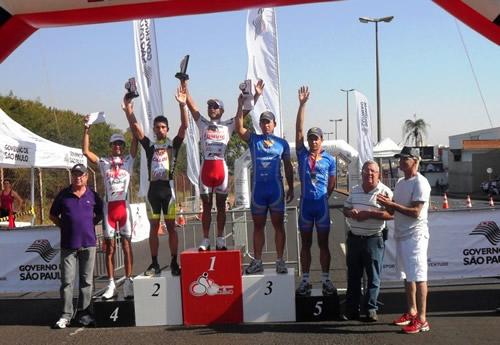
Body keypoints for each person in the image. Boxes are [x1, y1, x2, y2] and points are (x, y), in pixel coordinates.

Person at [182, 79, 264, 251]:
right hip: (206, 169)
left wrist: (255, 95)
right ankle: (205, 239)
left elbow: (245, 112)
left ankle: (220, 238)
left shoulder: (228, 125)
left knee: (220, 206)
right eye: (210, 106)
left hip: (221, 170)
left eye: (215, 106)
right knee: (205, 206)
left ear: (222, 110)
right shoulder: (202, 123)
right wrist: (184, 83)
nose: (212, 109)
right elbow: (191, 105)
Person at [123, 86, 188, 276]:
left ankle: (174, 262)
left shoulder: (173, 145)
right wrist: (129, 110)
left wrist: (182, 106)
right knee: (153, 228)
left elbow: (184, 127)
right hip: (153, 192)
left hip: (168, 192)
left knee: (171, 228)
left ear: (167, 129)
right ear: (153, 129)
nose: (160, 130)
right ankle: (154, 263)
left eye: (163, 127)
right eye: (157, 127)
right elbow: (136, 129)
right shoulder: (150, 145)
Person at [235, 95, 294, 274]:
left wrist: (291, 187)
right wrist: (240, 104)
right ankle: (258, 261)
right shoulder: (254, 139)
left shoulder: (282, 144)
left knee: (278, 226)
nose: (266, 125)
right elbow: (238, 128)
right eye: (263, 122)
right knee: (258, 227)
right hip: (259, 192)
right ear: (259, 125)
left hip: (275, 191)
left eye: (268, 122)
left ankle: (280, 261)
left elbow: (288, 166)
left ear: (274, 124)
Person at [377, 147, 431, 334]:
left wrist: (392, 205)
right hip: (401, 235)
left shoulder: (421, 183)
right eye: (399, 158)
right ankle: (411, 312)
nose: (400, 161)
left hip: (415, 236)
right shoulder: (400, 183)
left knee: (419, 276)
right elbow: (393, 211)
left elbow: (416, 212)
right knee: (408, 276)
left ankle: (422, 320)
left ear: (414, 160)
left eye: (403, 158)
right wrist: (386, 204)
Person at [82, 121, 138, 299]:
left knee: (127, 246)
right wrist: (86, 130)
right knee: (110, 248)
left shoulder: (129, 160)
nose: (118, 146)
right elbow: (86, 152)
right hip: (109, 211)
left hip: (124, 208)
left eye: (120, 143)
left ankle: (128, 282)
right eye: (115, 144)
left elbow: (137, 140)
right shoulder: (104, 162)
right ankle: (112, 284)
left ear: (123, 146)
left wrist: (130, 118)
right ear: (111, 146)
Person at [294, 86, 337, 296]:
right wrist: (302, 105)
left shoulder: (330, 159)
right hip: (305, 206)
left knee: (323, 245)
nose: (312, 141)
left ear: (321, 140)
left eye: (316, 138)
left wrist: (324, 197)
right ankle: (305, 280)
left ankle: (326, 280)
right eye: (310, 138)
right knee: (305, 244)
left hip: (321, 206)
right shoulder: (302, 154)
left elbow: (332, 183)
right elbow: (298, 131)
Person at [50, 164, 103, 329]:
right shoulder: (64, 195)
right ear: (71, 177)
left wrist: (88, 225)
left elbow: (100, 214)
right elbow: (53, 215)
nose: (77, 177)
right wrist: (65, 226)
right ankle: (66, 315)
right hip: (68, 245)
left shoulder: (93, 195)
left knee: (86, 282)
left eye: (81, 175)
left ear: (86, 176)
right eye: (75, 175)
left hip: (88, 243)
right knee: (67, 282)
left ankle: (84, 314)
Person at [343, 160, 393, 322]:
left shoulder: (385, 192)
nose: (369, 174)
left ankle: (371, 309)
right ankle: (352, 310)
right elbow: (345, 209)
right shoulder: (355, 190)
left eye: (373, 171)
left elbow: (391, 214)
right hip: (354, 239)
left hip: (373, 239)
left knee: (373, 277)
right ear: (362, 173)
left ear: (379, 174)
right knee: (353, 277)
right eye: (366, 171)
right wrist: (351, 212)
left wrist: (370, 214)